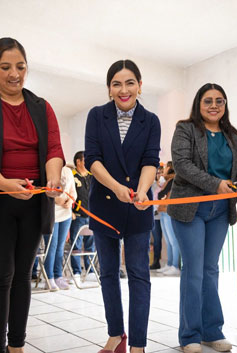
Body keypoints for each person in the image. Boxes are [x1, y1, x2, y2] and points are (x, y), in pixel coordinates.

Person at [0, 37, 63, 353]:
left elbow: (55, 149)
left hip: (32, 203)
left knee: (23, 276)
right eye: (5, 67)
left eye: (20, 66)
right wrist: (5, 183)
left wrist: (54, 177)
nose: (14, 73)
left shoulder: (41, 107)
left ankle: (17, 346)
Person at [168, 83, 237, 353]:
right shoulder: (186, 128)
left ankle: (212, 331)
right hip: (190, 208)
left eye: (219, 101)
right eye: (208, 101)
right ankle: (190, 336)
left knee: (210, 270)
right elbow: (182, 164)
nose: (214, 105)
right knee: (193, 270)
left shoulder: (233, 135)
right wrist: (215, 184)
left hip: (220, 210)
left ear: (225, 105)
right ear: (199, 104)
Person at [85, 59, 160, 353]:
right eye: (117, 83)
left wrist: (142, 192)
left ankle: (138, 344)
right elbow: (92, 159)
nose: (124, 89)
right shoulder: (96, 116)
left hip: (138, 207)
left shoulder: (151, 120)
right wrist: (116, 188)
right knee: (107, 273)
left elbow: (150, 161)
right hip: (104, 204)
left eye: (130, 82)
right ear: (109, 89)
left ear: (140, 86)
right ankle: (116, 335)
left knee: (139, 273)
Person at [43, 165, 76, 291]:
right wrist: (58, 200)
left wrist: (70, 201)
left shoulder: (67, 171)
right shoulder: (48, 169)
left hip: (66, 214)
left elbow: (73, 191)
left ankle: (58, 276)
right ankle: (49, 278)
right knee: (51, 246)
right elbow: (44, 190)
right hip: (52, 214)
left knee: (60, 247)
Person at [70, 150, 95, 279]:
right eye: (85, 160)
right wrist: (71, 212)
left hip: (92, 216)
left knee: (91, 244)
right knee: (76, 245)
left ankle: (90, 271)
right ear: (78, 161)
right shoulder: (72, 176)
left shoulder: (91, 176)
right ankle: (76, 272)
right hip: (78, 216)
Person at [156, 161, 180, 276]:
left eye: (165, 167)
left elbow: (162, 194)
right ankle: (169, 264)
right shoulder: (167, 180)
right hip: (164, 211)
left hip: (169, 211)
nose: (163, 169)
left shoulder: (173, 179)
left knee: (173, 240)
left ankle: (175, 265)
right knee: (168, 240)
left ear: (170, 168)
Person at [149, 165, 163, 270]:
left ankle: (157, 261)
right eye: (157, 173)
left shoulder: (164, 184)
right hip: (152, 215)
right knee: (152, 240)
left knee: (158, 239)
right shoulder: (152, 185)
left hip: (160, 215)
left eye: (161, 172)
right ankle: (153, 261)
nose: (159, 175)